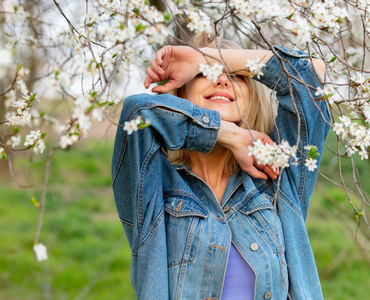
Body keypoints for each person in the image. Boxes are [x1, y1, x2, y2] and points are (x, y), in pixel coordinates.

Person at [112, 35, 330, 300]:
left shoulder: (277, 175)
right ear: (180, 96)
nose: (222, 79)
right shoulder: (154, 185)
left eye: (237, 76)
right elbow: (137, 113)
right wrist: (230, 135)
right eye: (206, 73)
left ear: (252, 97)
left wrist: (203, 58)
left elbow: (310, 76)